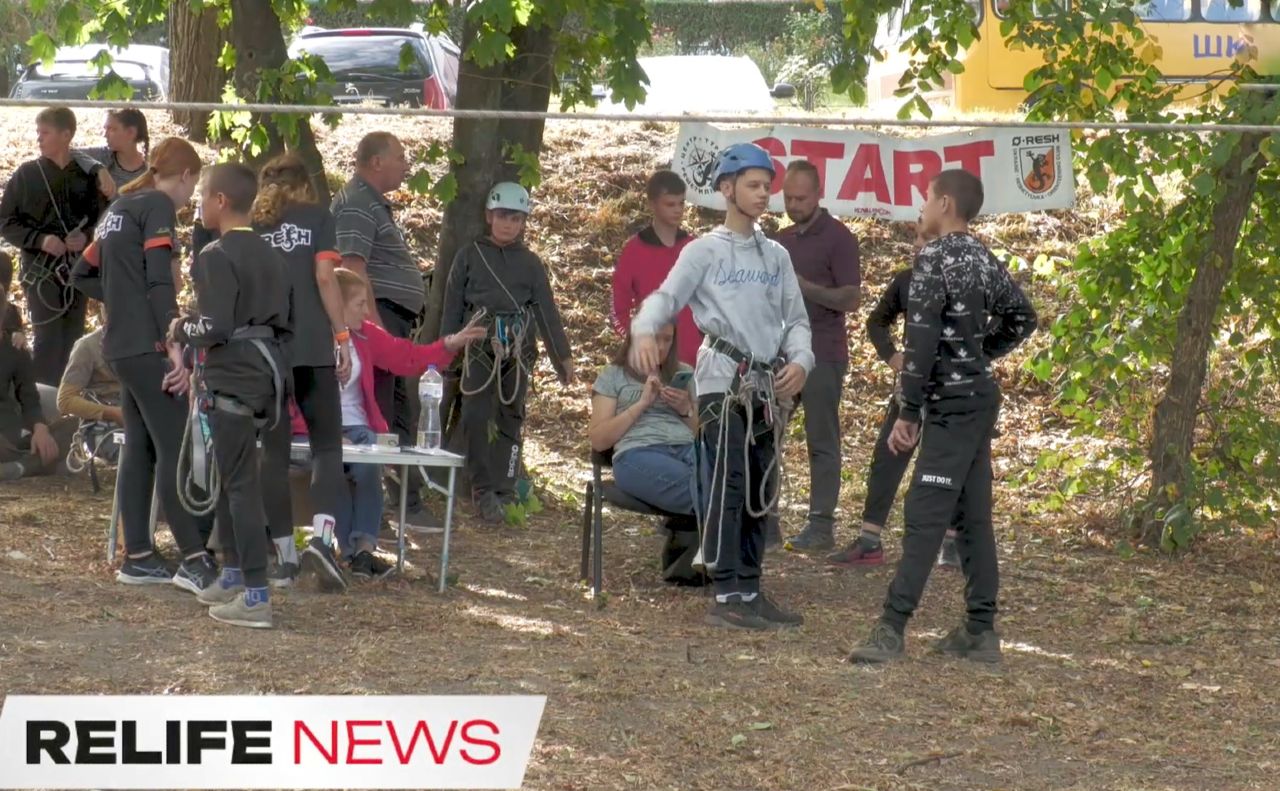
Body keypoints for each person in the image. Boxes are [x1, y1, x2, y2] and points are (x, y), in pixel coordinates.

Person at [847, 170, 1037, 664]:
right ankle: (980, 630)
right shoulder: (982, 258)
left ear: (946, 202)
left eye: (927, 197)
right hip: (977, 398)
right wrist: (976, 355)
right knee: (972, 515)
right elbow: (1023, 317)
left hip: (950, 408)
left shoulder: (933, 259)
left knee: (924, 514)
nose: (923, 205)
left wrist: (909, 409)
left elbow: (921, 341)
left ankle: (891, 629)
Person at [630, 143, 814, 631]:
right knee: (729, 483)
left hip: (764, 387)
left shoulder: (775, 255)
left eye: (767, 187)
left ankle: (750, 588)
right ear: (727, 189)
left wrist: (801, 360)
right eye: (753, 186)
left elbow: (796, 319)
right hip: (721, 383)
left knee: (761, 485)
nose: (763, 195)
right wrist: (646, 331)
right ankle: (727, 593)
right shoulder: (704, 250)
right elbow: (666, 297)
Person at [70, 137, 216, 591]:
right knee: (173, 442)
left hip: (118, 344)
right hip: (146, 344)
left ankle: (138, 555)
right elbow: (159, 280)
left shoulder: (118, 210)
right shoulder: (155, 206)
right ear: (187, 176)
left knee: (140, 445)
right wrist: (173, 339)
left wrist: (120, 299)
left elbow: (81, 273)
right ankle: (194, 557)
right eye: (193, 188)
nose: (190, 199)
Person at [293, 268, 483, 577]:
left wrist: (450, 343)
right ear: (336, 304)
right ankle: (341, 551)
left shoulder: (365, 335)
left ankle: (363, 552)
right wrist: (323, 434)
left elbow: (405, 356)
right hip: (313, 431)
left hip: (357, 428)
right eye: (359, 304)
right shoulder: (308, 337)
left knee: (369, 465)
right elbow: (292, 396)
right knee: (333, 468)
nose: (367, 311)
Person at [176, 162, 293, 629]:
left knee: (240, 484)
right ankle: (230, 573)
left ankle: (256, 595)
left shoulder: (215, 254)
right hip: (267, 375)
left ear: (221, 201)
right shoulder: (275, 256)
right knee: (231, 475)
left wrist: (182, 327)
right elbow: (288, 322)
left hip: (234, 377)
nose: (199, 205)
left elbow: (216, 326)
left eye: (203, 196)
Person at [828, 222, 961, 569]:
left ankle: (951, 543)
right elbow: (876, 322)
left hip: (951, 391)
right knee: (887, 461)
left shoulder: (965, 283)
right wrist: (892, 356)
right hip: (910, 390)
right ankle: (870, 541)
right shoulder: (906, 281)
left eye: (927, 238)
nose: (918, 244)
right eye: (916, 237)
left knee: (947, 465)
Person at [441, 181, 575, 524]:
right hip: (478, 346)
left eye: (516, 218)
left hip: (517, 346)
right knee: (475, 413)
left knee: (511, 416)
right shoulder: (469, 255)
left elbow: (546, 311)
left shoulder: (530, 264)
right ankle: (482, 490)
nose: (508, 224)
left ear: (524, 222)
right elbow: (452, 304)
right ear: (489, 216)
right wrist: (446, 347)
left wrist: (563, 358)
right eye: (502, 216)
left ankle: (505, 486)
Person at [252, 153, 352, 591]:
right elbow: (326, 277)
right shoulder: (317, 217)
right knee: (327, 447)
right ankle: (323, 542)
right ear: (306, 184)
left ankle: (284, 557)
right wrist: (343, 335)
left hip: (267, 350)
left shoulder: (253, 223)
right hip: (312, 345)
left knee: (272, 453)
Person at [331, 132, 428, 525]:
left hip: (390, 317)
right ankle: (374, 510)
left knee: (396, 411)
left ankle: (402, 504)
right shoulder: (356, 204)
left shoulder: (371, 204)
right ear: (376, 162)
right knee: (381, 412)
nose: (406, 165)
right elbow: (353, 269)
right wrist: (376, 332)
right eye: (400, 157)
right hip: (377, 317)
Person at [773, 160, 861, 553]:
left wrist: (805, 287)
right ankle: (765, 519)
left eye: (801, 198)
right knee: (766, 436)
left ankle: (821, 525)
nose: (793, 204)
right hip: (778, 354)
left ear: (819, 194)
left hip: (823, 353)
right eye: (788, 197)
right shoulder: (780, 240)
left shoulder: (840, 238)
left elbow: (851, 297)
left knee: (821, 441)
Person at [0, 106, 108, 386]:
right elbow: (5, 221)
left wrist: (85, 236)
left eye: (45, 133)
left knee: (73, 337)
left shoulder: (85, 178)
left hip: (77, 269)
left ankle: (67, 405)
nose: (39, 139)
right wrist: (40, 240)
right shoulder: (26, 175)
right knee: (47, 340)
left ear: (66, 135)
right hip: (40, 272)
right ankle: (42, 411)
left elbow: (104, 218)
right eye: (38, 133)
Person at [589, 322, 697, 515]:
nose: (662, 346)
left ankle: (687, 542)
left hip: (687, 448)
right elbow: (598, 440)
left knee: (730, 479)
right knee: (713, 490)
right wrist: (641, 404)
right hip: (638, 452)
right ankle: (690, 540)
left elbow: (705, 434)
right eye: (655, 338)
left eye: (667, 339)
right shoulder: (613, 375)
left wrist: (685, 409)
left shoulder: (683, 372)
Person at [610, 171, 701, 366]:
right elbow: (619, 307)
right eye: (670, 204)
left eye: (681, 203)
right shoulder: (634, 251)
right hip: (653, 362)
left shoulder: (695, 248)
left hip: (696, 360)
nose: (678, 210)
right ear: (652, 204)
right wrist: (638, 340)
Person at [0, 259, 59, 482]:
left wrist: (41, 429)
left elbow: (30, 397)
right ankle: (28, 464)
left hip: (10, 430)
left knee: (71, 431)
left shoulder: (15, 350)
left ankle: (19, 466)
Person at [73, 108, 150, 197]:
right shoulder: (101, 155)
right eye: (104, 129)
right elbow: (67, 151)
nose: (104, 135)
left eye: (111, 129)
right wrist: (98, 168)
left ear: (131, 132)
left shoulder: (151, 168)